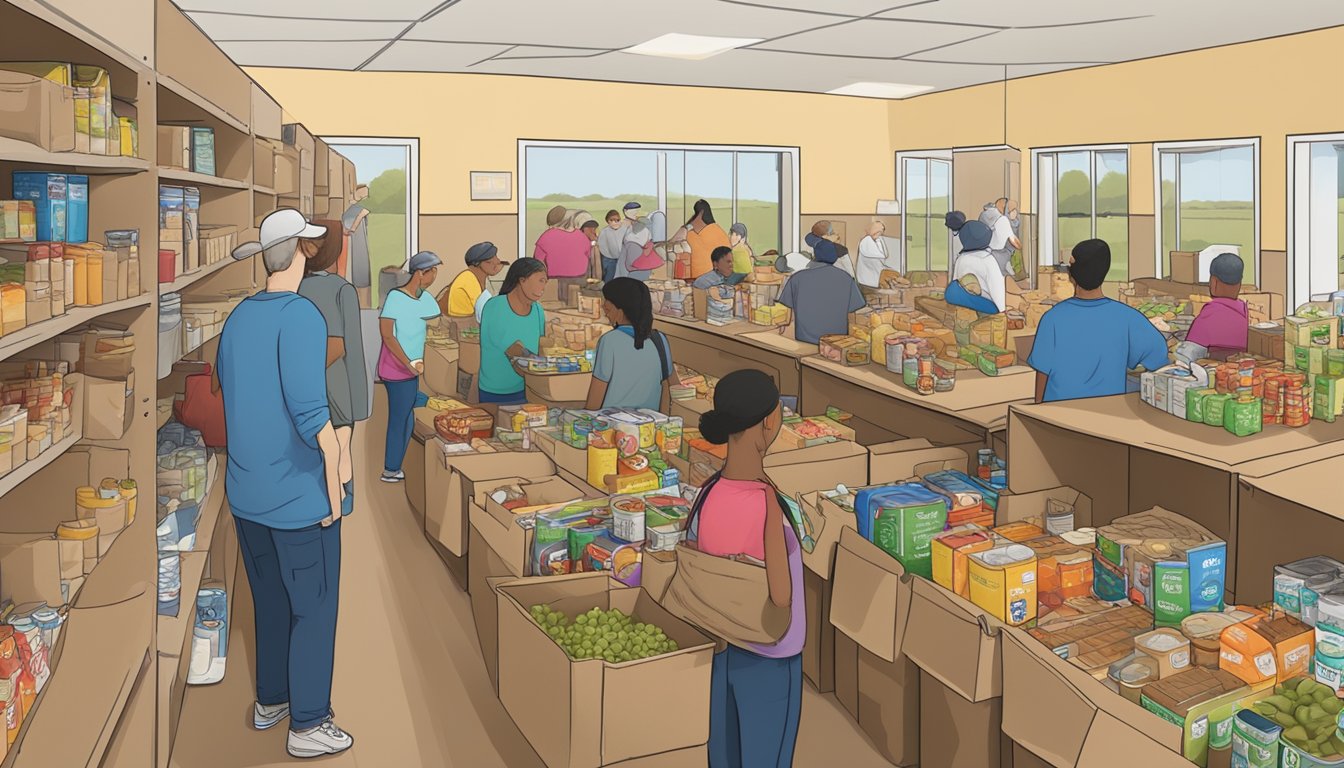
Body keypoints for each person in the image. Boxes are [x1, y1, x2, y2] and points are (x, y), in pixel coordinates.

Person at [219, 209, 352, 758]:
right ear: (301, 251)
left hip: (247, 492)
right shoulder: (302, 317)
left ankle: (271, 700)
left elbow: (232, 392)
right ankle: (309, 723)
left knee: (270, 603)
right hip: (298, 496)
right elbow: (308, 412)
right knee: (314, 608)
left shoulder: (239, 316)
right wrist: (336, 487)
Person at [693, 369, 803, 768]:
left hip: (723, 647)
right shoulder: (766, 502)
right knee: (766, 755)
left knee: (725, 753)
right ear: (767, 424)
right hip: (769, 654)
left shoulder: (709, 492)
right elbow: (781, 595)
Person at [1028, 238, 1170, 403]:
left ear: (1071, 275)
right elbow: (1159, 360)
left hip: (1058, 417)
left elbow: (1042, 375)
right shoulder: (1128, 318)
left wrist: (1037, 410)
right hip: (1108, 418)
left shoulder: (1052, 319)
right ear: (1105, 272)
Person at [298, 219, 368, 518]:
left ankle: (333, 495)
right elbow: (341, 346)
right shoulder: (338, 289)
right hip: (336, 382)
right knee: (340, 444)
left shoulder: (299, 286)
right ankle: (342, 496)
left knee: (320, 446)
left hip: (315, 381)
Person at [377, 251, 442, 483]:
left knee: (410, 413)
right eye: (432, 272)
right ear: (420, 273)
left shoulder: (424, 297)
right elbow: (387, 334)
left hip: (415, 367)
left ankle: (398, 463)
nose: (434, 276)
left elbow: (437, 318)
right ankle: (390, 468)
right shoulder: (396, 297)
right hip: (397, 368)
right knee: (400, 418)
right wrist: (407, 362)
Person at [585, 278, 673, 411]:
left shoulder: (609, 341)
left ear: (620, 311)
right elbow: (671, 386)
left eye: (608, 309)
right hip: (648, 426)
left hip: (612, 427)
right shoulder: (660, 339)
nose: (604, 309)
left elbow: (594, 401)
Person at [479, 259, 548, 406]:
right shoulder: (495, 306)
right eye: (540, 281)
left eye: (545, 282)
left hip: (528, 390)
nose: (543, 287)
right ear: (522, 280)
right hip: (497, 393)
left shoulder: (537, 310)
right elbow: (513, 350)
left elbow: (540, 346)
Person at [778, 238, 866, 345]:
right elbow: (855, 308)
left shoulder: (796, 278)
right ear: (834, 258)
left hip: (804, 341)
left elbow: (785, 310)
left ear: (815, 256)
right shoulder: (846, 278)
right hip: (835, 343)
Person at [1186, 252, 1249, 360]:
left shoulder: (1208, 315)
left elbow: (1188, 354)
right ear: (1239, 284)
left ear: (1214, 282)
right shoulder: (1244, 312)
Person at [949, 220, 1007, 314]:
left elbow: (956, 282)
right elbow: (997, 288)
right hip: (984, 305)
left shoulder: (961, 259)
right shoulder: (988, 260)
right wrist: (1002, 310)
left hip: (962, 302)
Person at [438, 241, 506, 319]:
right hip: (462, 326)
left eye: (496, 257)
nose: (497, 262)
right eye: (489, 260)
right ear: (477, 263)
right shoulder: (468, 280)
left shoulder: (475, 278)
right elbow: (485, 313)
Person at [685, 199, 731, 278]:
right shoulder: (719, 231)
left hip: (700, 277)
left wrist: (687, 227)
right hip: (723, 275)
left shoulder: (692, 235)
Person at [981, 198, 1023, 279]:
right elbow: (1015, 242)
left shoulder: (984, 214)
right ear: (1006, 209)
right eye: (1012, 210)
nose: (1015, 212)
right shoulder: (1003, 220)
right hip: (998, 254)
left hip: (984, 251)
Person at [342, 186, 371, 296]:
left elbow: (350, 226)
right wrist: (353, 227)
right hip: (354, 239)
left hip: (357, 239)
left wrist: (353, 227)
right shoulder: (354, 209)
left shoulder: (359, 208)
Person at [855, 220, 890, 289]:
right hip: (867, 282)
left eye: (882, 230)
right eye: (879, 230)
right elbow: (881, 255)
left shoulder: (877, 240)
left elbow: (884, 255)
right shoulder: (867, 240)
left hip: (872, 280)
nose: (881, 233)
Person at [598, 210, 626, 283]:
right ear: (607, 221)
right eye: (612, 220)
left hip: (623, 259)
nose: (615, 222)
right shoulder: (605, 232)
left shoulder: (625, 229)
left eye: (617, 220)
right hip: (609, 260)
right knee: (609, 279)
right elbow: (602, 247)